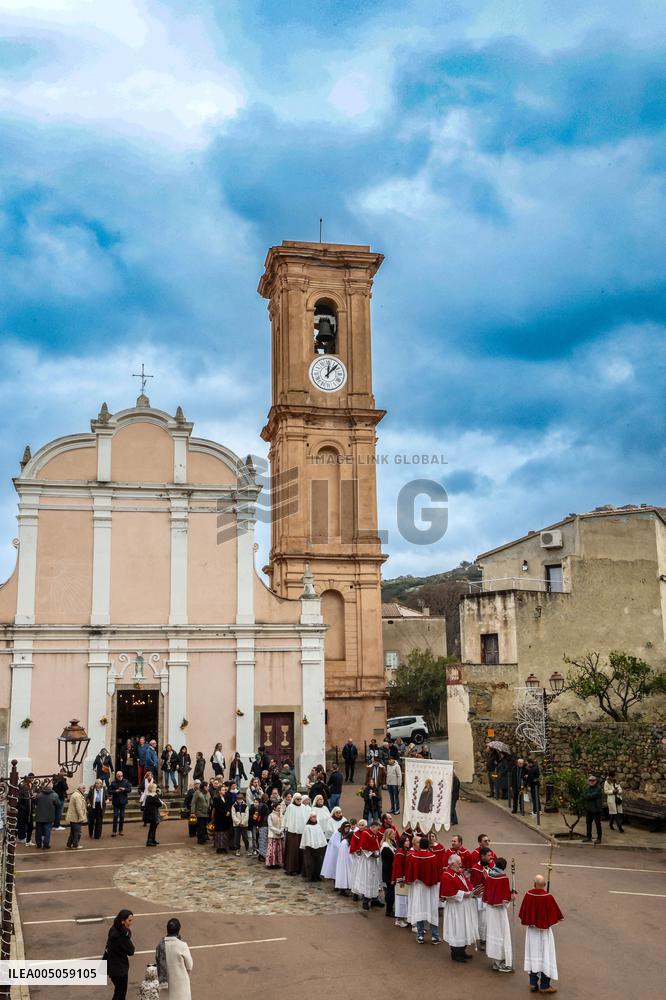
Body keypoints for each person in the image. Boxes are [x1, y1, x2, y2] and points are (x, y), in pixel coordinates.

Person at [519, 875, 564, 994]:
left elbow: (523, 913)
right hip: (544, 933)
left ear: (534, 884)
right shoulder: (548, 897)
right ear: (544, 885)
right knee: (545, 956)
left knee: (533, 955)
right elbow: (556, 917)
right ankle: (544, 985)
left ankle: (533, 983)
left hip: (531, 932)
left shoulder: (528, 894)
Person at [440, 855, 477, 962]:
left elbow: (466, 884)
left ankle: (462, 951)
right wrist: (464, 894)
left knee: (463, 929)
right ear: (452, 864)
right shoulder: (447, 876)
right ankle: (456, 954)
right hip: (455, 907)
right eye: (458, 863)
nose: (461, 864)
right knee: (457, 930)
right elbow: (448, 893)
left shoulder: (458, 872)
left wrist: (472, 890)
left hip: (464, 906)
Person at [404, 835, 440, 942]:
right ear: (428, 845)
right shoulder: (433, 857)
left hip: (418, 887)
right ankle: (435, 936)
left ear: (420, 846)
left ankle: (420, 935)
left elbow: (410, 873)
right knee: (432, 909)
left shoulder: (414, 856)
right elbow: (437, 874)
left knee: (419, 908)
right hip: (430, 888)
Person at [483, 856, 513, 973]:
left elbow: (489, 893)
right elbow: (504, 899)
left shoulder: (490, 875)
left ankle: (496, 961)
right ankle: (500, 962)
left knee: (493, 933)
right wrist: (511, 897)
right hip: (499, 912)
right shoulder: (503, 878)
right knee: (502, 934)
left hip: (490, 909)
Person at [155, 917, 193, 1000]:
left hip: (165, 986)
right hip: (180, 985)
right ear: (179, 929)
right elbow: (189, 966)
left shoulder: (160, 946)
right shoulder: (182, 945)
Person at [352, 819, 383, 910]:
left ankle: (375, 899)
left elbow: (376, 845)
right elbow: (363, 847)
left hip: (373, 861)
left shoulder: (374, 834)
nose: (378, 831)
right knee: (367, 879)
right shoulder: (365, 834)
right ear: (373, 827)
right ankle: (365, 901)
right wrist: (372, 854)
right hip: (367, 861)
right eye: (377, 829)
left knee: (374, 879)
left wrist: (377, 853)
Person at [104, 909, 135, 1000]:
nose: (131, 923)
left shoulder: (113, 929)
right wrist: (127, 935)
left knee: (119, 991)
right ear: (122, 921)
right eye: (129, 920)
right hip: (119, 969)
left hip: (112, 966)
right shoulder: (121, 936)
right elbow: (131, 951)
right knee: (120, 993)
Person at [469, 846, 493, 949]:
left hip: (489, 897)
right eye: (489, 855)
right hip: (480, 898)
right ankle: (482, 940)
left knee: (489, 919)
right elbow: (475, 887)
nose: (491, 857)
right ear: (482, 856)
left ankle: (488, 937)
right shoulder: (476, 869)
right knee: (482, 920)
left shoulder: (491, 866)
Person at [301, 811, 328, 880]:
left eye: (315, 817)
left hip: (318, 846)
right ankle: (311, 876)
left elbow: (321, 835)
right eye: (313, 817)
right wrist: (309, 844)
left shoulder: (318, 825)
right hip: (310, 847)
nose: (314, 818)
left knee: (318, 861)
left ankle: (317, 875)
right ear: (310, 818)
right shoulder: (307, 827)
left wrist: (321, 843)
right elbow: (306, 838)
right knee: (310, 862)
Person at [391, 833, 410, 927]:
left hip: (405, 879)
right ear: (402, 842)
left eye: (408, 840)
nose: (408, 842)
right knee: (400, 900)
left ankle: (404, 917)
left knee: (405, 900)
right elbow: (397, 867)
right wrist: (400, 879)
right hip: (401, 880)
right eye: (406, 841)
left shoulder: (406, 851)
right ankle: (399, 919)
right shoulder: (400, 852)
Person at [34, 780, 60, 849]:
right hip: (49, 816)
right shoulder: (54, 795)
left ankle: (38, 844)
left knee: (38, 831)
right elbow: (58, 805)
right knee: (47, 831)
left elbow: (35, 802)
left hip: (39, 816)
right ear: (51, 787)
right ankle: (46, 844)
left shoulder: (39, 795)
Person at [380, 827, 397, 918]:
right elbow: (389, 860)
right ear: (388, 835)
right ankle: (389, 910)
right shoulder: (386, 846)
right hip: (388, 871)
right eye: (392, 834)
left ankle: (390, 908)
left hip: (391, 870)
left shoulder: (392, 843)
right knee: (390, 891)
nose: (394, 835)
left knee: (391, 891)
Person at [212, 784, 233, 854]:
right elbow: (217, 808)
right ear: (219, 791)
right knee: (219, 833)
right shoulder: (216, 798)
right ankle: (219, 848)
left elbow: (228, 805)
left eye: (224, 790)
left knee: (225, 833)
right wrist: (224, 812)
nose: (224, 791)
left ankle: (224, 847)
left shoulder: (225, 797)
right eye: (223, 790)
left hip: (226, 818)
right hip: (219, 818)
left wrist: (228, 811)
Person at [109, 771, 131, 837]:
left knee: (122, 816)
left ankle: (120, 830)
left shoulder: (126, 781)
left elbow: (129, 790)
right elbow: (109, 791)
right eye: (119, 776)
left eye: (121, 776)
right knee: (115, 816)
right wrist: (115, 791)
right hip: (116, 802)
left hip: (123, 801)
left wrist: (124, 789)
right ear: (116, 776)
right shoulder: (113, 782)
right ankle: (114, 831)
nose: (120, 777)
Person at [65, 782, 87, 849]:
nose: (85, 790)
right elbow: (79, 808)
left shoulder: (76, 794)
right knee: (77, 832)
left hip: (73, 817)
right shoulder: (78, 796)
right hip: (76, 817)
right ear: (80, 788)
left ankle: (69, 844)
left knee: (73, 832)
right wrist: (81, 817)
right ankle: (75, 845)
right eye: (84, 788)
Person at [582, 775, 603, 843]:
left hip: (596, 810)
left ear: (596, 781)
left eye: (593, 780)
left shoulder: (598, 789)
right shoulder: (587, 789)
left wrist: (588, 796)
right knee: (588, 824)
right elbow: (584, 796)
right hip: (589, 809)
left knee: (598, 824)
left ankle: (599, 838)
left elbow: (593, 795)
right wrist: (588, 796)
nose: (591, 782)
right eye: (590, 780)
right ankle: (588, 837)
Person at [190, 780, 211, 844]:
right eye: (207, 786)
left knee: (205, 826)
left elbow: (210, 800)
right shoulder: (197, 793)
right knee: (200, 827)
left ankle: (204, 838)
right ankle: (200, 839)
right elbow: (193, 803)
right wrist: (192, 812)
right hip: (199, 812)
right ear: (204, 787)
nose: (208, 787)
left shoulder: (208, 792)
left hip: (206, 812)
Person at [17, 775, 35, 845]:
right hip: (23, 812)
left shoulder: (29, 791)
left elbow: (31, 800)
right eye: (27, 784)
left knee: (30, 826)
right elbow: (19, 803)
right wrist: (24, 808)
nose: (28, 786)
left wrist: (33, 800)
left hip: (29, 811)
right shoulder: (21, 792)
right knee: (21, 825)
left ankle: (28, 840)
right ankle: (21, 838)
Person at [266, 800, 284, 868]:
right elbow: (270, 826)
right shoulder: (270, 816)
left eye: (280, 808)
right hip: (273, 835)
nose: (279, 809)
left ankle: (278, 863)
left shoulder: (281, 815)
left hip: (280, 835)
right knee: (272, 850)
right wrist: (278, 831)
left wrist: (281, 830)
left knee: (278, 850)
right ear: (274, 808)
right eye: (278, 808)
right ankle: (271, 863)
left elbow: (283, 823)